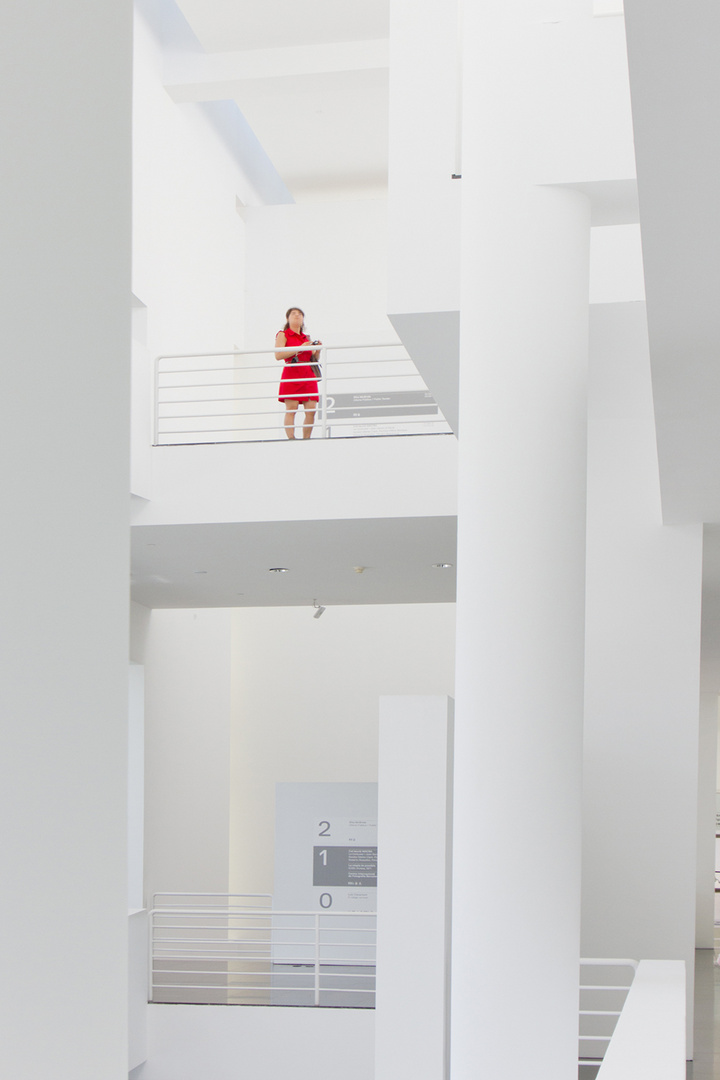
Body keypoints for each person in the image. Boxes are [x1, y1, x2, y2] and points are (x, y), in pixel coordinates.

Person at [275, 307, 322, 440]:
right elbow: (278, 355)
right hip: (292, 371)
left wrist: (317, 351)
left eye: (300, 314)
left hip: (307, 372)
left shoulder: (305, 337)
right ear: (288, 318)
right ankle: (291, 438)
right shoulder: (283, 334)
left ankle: (306, 439)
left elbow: (312, 358)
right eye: (294, 314)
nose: (297, 316)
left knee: (311, 409)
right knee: (292, 408)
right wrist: (299, 348)